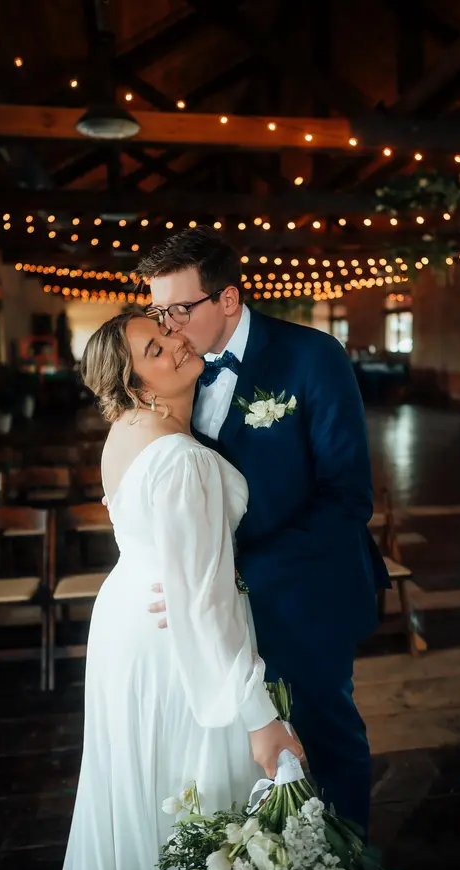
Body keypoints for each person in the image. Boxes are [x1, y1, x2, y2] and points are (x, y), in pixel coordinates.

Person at [138, 226, 390, 835]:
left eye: (179, 309)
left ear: (227, 298)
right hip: (220, 619)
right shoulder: (175, 372)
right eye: (158, 312)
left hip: (307, 594)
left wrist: (237, 572)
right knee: (254, 752)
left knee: (326, 740)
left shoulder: (313, 357)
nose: (168, 327)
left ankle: (353, 866)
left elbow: (348, 499)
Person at [57, 309, 302, 870]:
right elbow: (203, 603)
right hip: (174, 638)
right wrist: (260, 719)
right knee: (198, 794)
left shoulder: (126, 431)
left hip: (129, 620)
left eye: (164, 331)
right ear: (136, 385)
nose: (174, 343)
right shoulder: (181, 457)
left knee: (145, 782)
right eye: (154, 349)